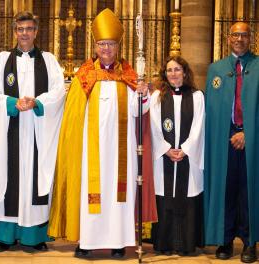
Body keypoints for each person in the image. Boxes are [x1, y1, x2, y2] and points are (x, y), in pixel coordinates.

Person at [48, 8, 157, 258]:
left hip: (121, 151)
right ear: (95, 46)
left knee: (120, 194)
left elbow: (138, 112)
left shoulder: (129, 75)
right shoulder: (84, 76)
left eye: (110, 44)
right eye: (101, 44)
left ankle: (119, 242)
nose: (105, 48)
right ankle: (87, 241)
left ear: (117, 46)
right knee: (91, 192)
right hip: (90, 151)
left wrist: (142, 94)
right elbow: (74, 117)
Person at [0, 11, 65, 252]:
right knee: (9, 179)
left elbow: (59, 92)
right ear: (15, 31)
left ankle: (34, 236)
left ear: (36, 31)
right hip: (10, 128)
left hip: (37, 130)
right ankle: (5, 236)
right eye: (20, 29)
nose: (25, 34)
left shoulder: (49, 61)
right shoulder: (1, 60)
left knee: (35, 181)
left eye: (29, 29)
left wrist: (37, 103)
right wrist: (12, 103)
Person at [205, 22, 259, 263]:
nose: (239, 38)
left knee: (249, 190)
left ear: (251, 38)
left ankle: (250, 242)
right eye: (235, 34)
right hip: (223, 139)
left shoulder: (258, 66)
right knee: (225, 189)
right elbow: (211, 109)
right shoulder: (216, 69)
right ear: (228, 38)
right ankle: (224, 239)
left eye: (244, 35)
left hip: (252, 139)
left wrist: (248, 132)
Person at [150, 56, 204, 256]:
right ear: (165, 74)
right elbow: (154, 126)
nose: (173, 73)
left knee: (186, 194)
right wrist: (165, 149)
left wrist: (185, 149)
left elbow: (199, 126)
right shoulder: (157, 96)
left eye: (177, 69)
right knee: (165, 195)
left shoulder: (197, 96)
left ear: (185, 72)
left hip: (187, 159)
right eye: (169, 70)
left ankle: (186, 244)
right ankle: (164, 243)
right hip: (164, 158)